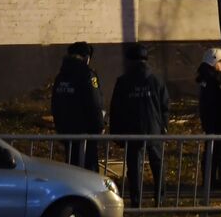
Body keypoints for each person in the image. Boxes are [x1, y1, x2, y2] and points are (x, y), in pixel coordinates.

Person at [109, 43, 169, 207]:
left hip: (132, 130)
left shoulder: (123, 81)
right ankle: (160, 199)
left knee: (134, 167)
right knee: (158, 164)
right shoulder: (156, 80)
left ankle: (136, 201)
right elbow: (165, 106)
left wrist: (116, 132)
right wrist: (163, 126)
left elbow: (116, 108)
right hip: (154, 129)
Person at [51, 41, 104, 172]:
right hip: (85, 132)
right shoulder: (87, 75)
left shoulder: (61, 76)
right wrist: (99, 126)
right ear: (86, 57)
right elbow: (94, 103)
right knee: (89, 171)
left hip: (66, 131)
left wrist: (60, 126)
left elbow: (55, 104)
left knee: (72, 169)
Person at [196, 47, 221, 189]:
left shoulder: (207, 78)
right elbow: (215, 102)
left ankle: (211, 180)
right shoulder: (212, 80)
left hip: (213, 121)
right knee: (214, 152)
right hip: (216, 121)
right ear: (214, 61)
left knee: (214, 151)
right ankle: (212, 181)